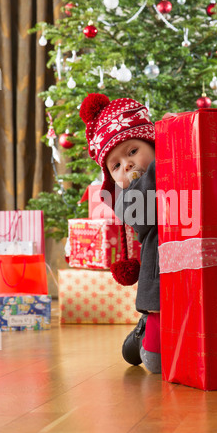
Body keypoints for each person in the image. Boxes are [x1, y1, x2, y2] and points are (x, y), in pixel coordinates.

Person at [79, 93, 161, 373]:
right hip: (158, 285)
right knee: (155, 361)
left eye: (132, 151)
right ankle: (144, 331)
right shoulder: (126, 199)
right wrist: (165, 152)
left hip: (190, 276)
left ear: (151, 142)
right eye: (115, 166)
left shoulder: (180, 169)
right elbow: (146, 202)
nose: (125, 164)